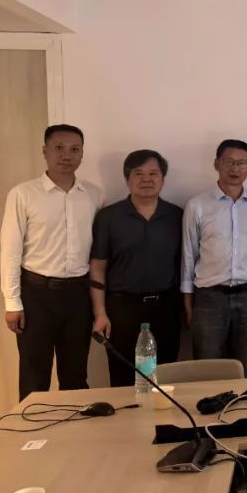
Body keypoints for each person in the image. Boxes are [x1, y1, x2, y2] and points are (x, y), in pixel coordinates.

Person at [0, 124, 104, 400]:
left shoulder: (95, 196)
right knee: (34, 376)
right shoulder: (23, 194)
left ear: (82, 154)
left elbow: (98, 254)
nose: (66, 155)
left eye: (74, 149)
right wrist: (12, 302)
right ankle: (33, 426)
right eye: (58, 148)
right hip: (36, 295)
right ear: (45, 152)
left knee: (75, 375)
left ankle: (73, 426)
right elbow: (10, 250)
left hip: (78, 295)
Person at [90, 150, 183, 387]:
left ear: (163, 179)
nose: (146, 179)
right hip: (122, 309)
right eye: (138, 174)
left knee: (165, 377)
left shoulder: (177, 216)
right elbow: (98, 267)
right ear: (127, 179)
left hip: (166, 308)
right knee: (122, 378)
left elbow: (186, 265)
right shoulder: (109, 217)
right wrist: (100, 313)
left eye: (153, 173)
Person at [181, 139, 247, 377]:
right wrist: (188, 303)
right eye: (229, 162)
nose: (235, 168)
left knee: (245, 369)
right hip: (209, 298)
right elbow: (189, 255)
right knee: (207, 370)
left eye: (242, 163)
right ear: (216, 164)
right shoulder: (197, 205)